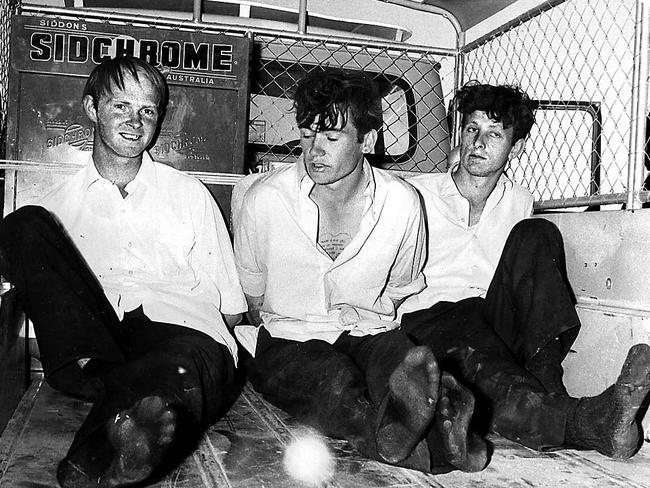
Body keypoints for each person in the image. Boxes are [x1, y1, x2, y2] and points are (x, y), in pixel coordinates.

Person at [0, 56, 247, 487]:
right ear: (92, 108)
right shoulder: (59, 204)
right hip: (95, 348)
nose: (135, 122)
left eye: (147, 111)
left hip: (179, 338)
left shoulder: (190, 195)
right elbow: (40, 332)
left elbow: (230, 312)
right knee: (24, 225)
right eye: (121, 107)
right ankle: (134, 415)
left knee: (178, 369)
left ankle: (92, 462)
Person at [233, 68, 488, 475]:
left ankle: (436, 437)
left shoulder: (402, 203)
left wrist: (370, 319)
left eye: (332, 138)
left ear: (367, 140)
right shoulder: (263, 200)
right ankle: (431, 444)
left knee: (402, 360)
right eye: (306, 134)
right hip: (290, 337)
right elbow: (253, 295)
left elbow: (402, 285)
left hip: (367, 330)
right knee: (333, 380)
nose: (314, 150)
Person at [400, 82, 650, 459]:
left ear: (514, 148)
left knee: (538, 232)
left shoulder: (519, 200)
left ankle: (550, 388)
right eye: (471, 130)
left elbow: (526, 286)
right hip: (431, 321)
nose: (479, 143)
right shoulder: (415, 193)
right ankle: (587, 421)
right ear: (460, 135)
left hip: (490, 319)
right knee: (475, 351)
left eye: (494, 134)